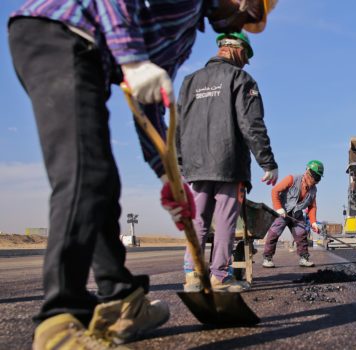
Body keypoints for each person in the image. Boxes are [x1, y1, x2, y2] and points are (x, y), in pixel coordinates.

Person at [7, 0, 276, 348]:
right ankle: (60, 320)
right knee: (84, 177)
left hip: (90, 58)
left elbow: (148, 102)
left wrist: (167, 176)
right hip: (59, 33)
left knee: (102, 184)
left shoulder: (184, 35)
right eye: (249, 12)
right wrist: (132, 59)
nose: (241, 20)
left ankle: (122, 300)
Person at [177, 31, 278, 293]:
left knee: (197, 219)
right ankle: (220, 276)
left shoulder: (189, 81)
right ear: (236, 49)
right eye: (245, 56)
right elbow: (251, 124)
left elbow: (178, 125)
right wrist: (267, 162)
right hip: (228, 163)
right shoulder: (240, 78)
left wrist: (180, 162)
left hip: (195, 166)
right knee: (224, 221)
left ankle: (193, 275)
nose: (245, 62)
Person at [262, 161, 324, 268]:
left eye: (318, 178)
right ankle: (267, 258)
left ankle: (304, 258)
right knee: (274, 233)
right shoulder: (292, 179)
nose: (315, 181)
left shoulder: (313, 190)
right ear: (307, 172)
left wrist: (313, 222)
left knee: (301, 234)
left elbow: (312, 207)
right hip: (282, 212)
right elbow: (275, 191)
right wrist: (278, 208)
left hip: (296, 215)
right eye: (314, 177)